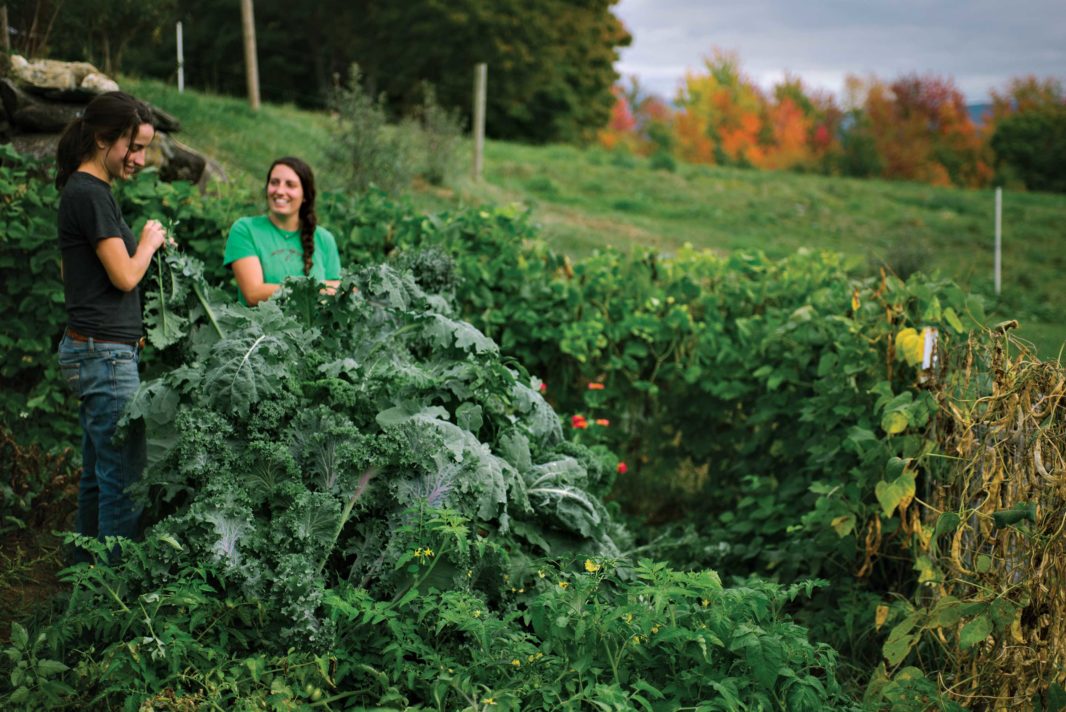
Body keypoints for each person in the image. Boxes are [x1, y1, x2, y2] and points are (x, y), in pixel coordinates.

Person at [55, 91, 172, 558]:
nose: (140, 159)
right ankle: (113, 597)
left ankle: (83, 575)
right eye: (134, 146)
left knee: (99, 473)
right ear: (104, 139)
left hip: (93, 350)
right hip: (104, 355)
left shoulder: (82, 192)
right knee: (124, 479)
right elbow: (124, 275)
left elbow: (71, 272)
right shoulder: (91, 194)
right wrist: (147, 242)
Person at [223, 157, 341, 306]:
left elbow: (337, 297)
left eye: (290, 185)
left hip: (311, 330)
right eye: (274, 183)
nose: (279, 191)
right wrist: (315, 290)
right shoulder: (245, 229)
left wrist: (278, 290)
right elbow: (253, 294)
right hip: (259, 328)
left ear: (305, 195)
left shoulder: (324, 239)